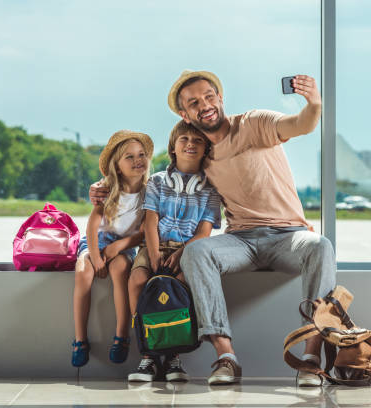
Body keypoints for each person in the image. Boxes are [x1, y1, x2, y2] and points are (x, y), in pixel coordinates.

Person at [91, 70, 336, 386]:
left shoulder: (254, 123)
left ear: (220, 98)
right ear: (186, 115)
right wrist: (101, 188)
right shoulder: (198, 154)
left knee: (321, 245)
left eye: (209, 96)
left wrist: (314, 103)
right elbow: (141, 181)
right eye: (194, 102)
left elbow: (301, 124)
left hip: (288, 235)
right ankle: (226, 356)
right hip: (241, 239)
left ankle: (310, 357)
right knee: (196, 250)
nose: (204, 104)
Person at [127, 120, 222, 382]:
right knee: (137, 281)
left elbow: (203, 233)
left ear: (206, 149)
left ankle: (173, 356)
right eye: (184, 139)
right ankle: (147, 354)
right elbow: (150, 221)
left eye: (197, 140)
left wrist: (180, 256)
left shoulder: (212, 190)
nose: (190, 144)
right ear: (174, 147)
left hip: (188, 250)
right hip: (154, 244)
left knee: (179, 289)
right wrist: (155, 254)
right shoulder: (157, 181)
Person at [72, 130, 153, 368]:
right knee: (82, 272)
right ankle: (79, 339)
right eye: (129, 157)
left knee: (120, 271)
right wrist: (96, 257)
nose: (137, 160)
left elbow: (145, 232)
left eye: (141, 155)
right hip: (96, 241)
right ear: (117, 167)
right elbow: (92, 225)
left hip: (125, 243)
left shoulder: (150, 192)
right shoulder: (107, 188)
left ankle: (121, 336)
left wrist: (119, 246)